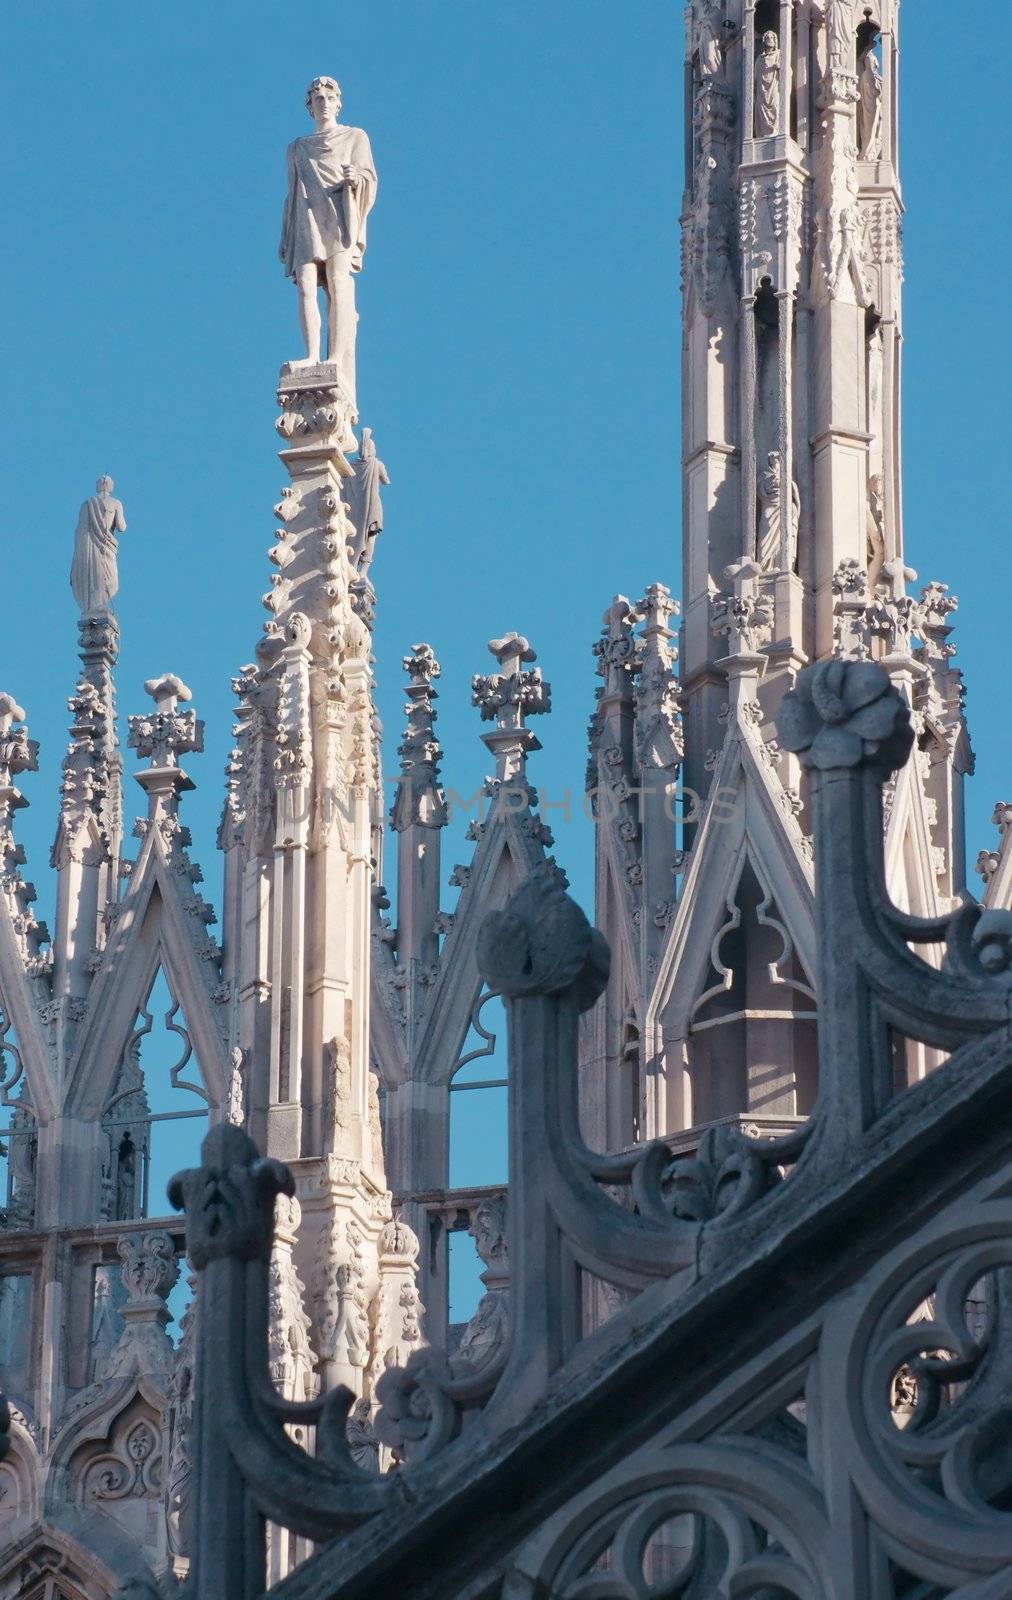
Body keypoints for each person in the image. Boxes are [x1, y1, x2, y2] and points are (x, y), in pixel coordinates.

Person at [279, 76, 377, 412]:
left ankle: (336, 355)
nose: (322, 102)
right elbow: (291, 195)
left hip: (337, 211)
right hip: (306, 215)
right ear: (309, 106)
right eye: (315, 98)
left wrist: (355, 180)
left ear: (338, 102)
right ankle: (311, 354)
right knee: (306, 284)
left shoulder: (354, 137)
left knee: (338, 281)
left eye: (327, 97)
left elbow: (368, 178)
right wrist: (287, 235)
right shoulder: (297, 148)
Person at [70, 475, 126, 616]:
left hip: (89, 547)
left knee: (94, 575)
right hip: (105, 546)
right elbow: (122, 527)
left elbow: (79, 531)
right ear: (111, 487)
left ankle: (96, 605)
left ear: (97, 486)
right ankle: (98, 606)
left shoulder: (87, 504)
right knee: (110, 581)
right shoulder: (115, 503)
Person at [754, 30, 781, 137]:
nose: (770, 39)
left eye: (772, 38)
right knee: (761, 108)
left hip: (774, 86)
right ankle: (763, 133)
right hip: (762, 89)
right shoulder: (759, 59)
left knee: (775, 105)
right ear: (764, 41)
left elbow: (788, 70)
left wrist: (779, 67)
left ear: (775, 41)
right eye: (767, 38)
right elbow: (755, 76)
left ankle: (774, 130)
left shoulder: (779, 54)